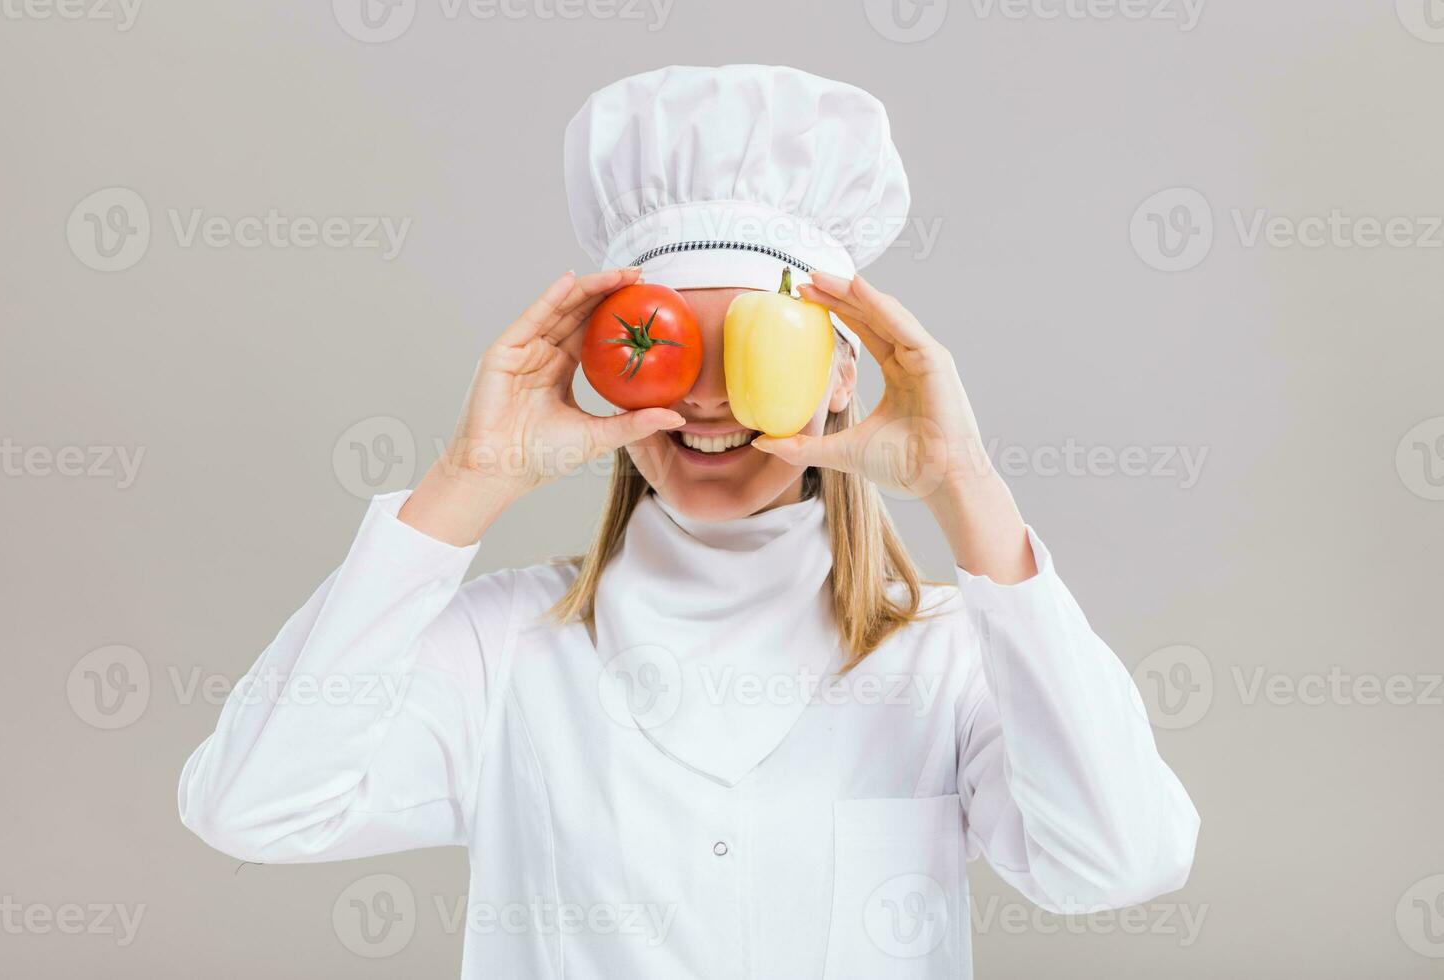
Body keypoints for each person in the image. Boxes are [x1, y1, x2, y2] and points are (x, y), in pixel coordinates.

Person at [178, 64, 1199, 979]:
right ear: (604, 368)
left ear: (843, 375)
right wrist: (469, 476)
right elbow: (251, 805)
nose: (706, 402)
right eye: (663, 348)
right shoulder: (506, 651)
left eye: (758, 352)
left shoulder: (948, 658)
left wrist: (966, 484)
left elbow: (1119, 857)